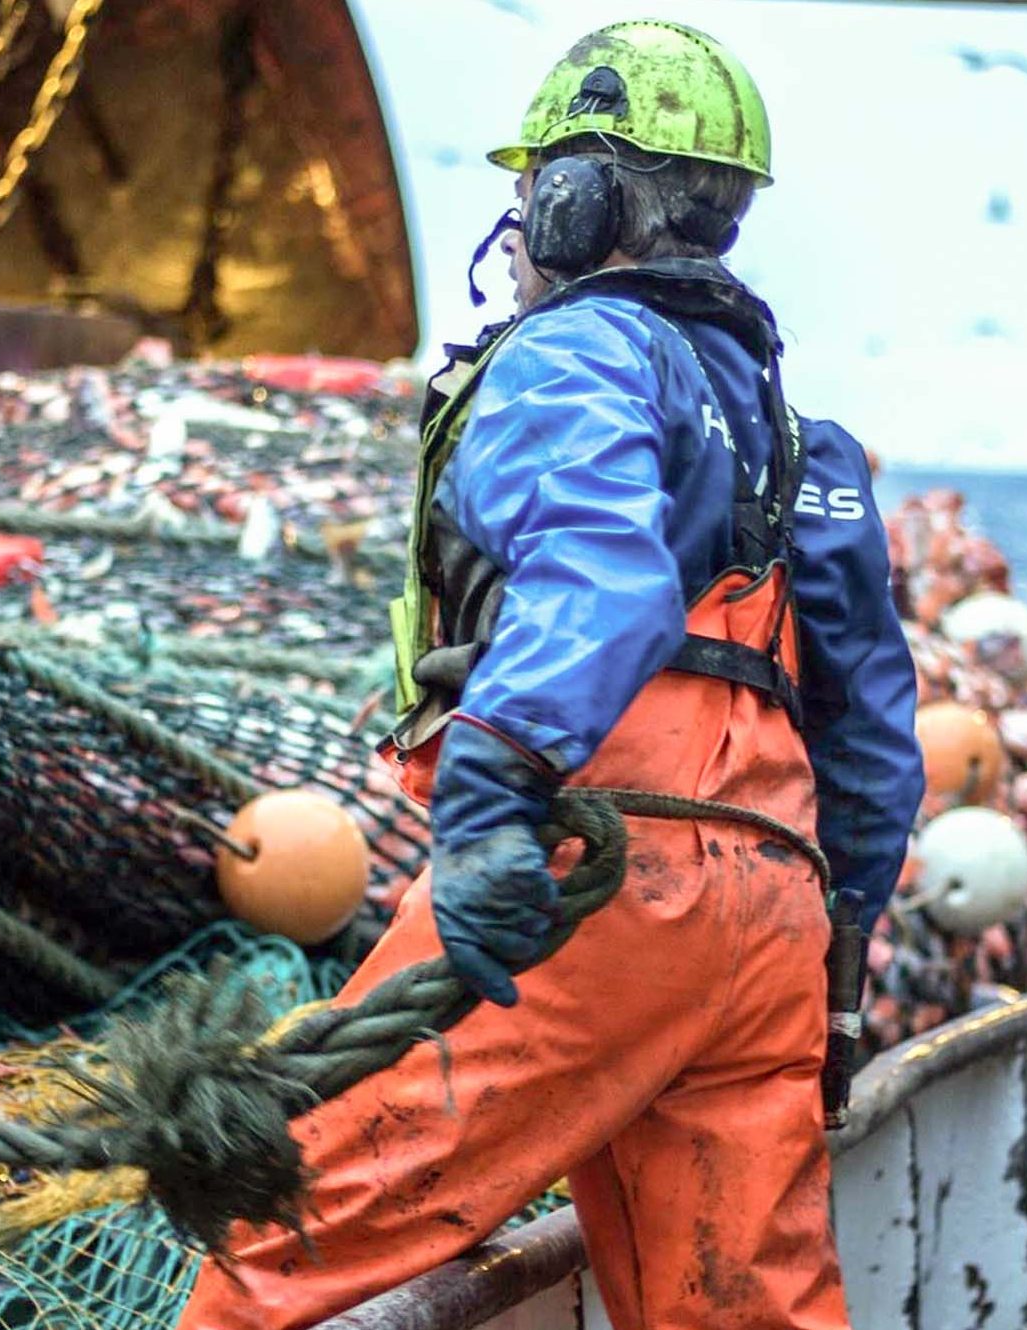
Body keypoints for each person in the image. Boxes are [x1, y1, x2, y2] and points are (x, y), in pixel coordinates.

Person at [176, 19, 922, 1330]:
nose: (519, 230)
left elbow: (602, 577)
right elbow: (869, 737)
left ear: (576, 200)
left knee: (278, 1235)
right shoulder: (810, 447)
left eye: (533, 197)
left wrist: (486, 802)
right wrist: (838, 974)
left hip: (602, 890)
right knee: (736, 1307)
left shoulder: (575, 354)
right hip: (774, 931)